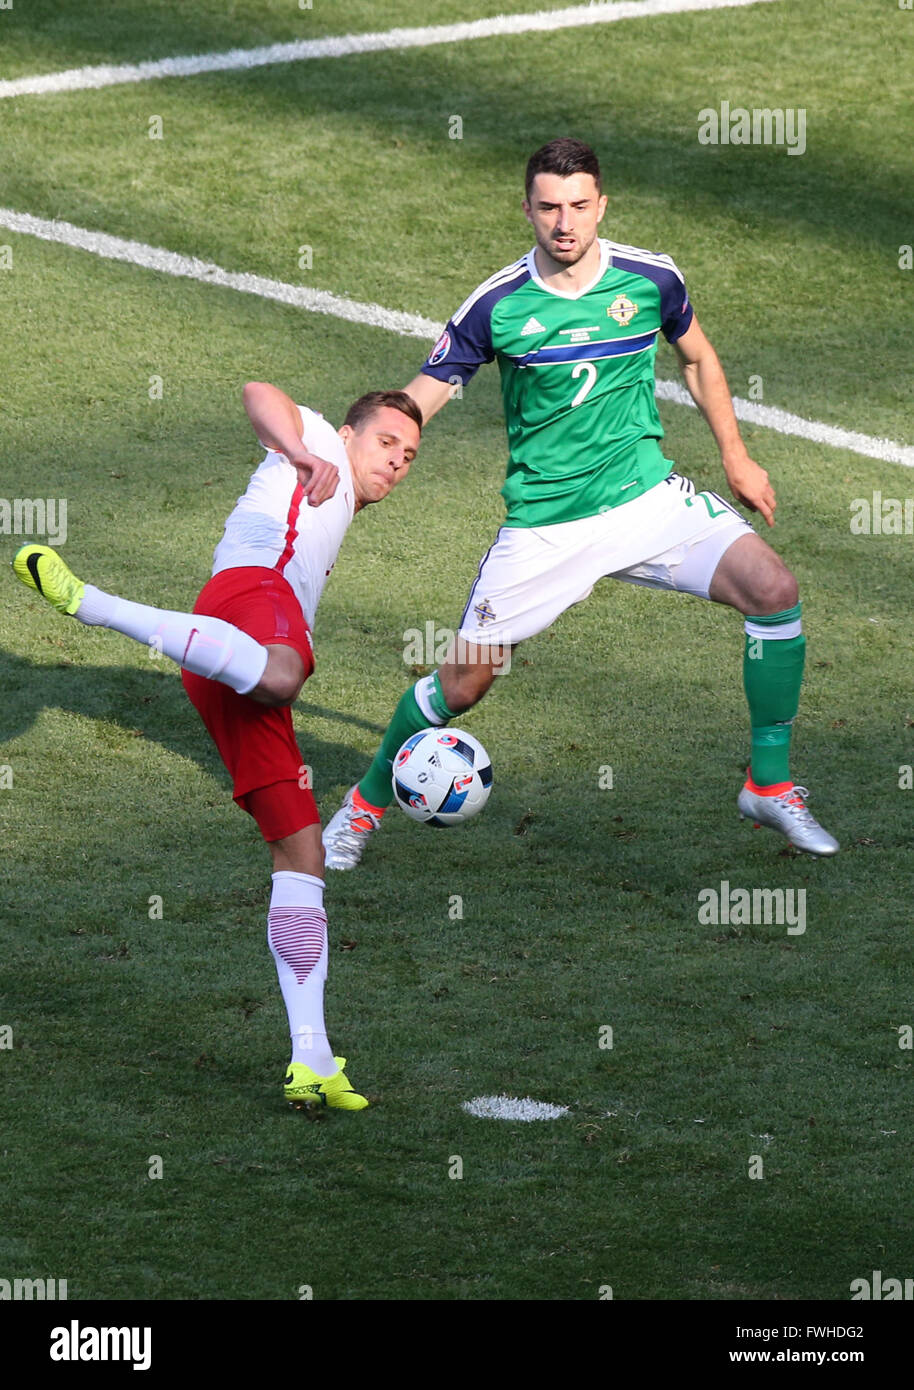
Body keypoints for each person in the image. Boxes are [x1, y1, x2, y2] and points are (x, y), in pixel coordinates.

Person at [321, 136, 838, 869]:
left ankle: (769, 784)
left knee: (774, 590)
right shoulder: (497, 304)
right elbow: (425, 395)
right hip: (546, 528)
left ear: (602, 206)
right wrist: (360, 476)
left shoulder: (651, 278)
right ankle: (361, 810)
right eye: (548, 208)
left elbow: (698, 358)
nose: (564, 223)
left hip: (648, 500)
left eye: (578, 206)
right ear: (527, 209)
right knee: (462, 685)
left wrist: (737, 457)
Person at [13, 382, 422, 1110]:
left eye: (410, 456)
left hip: (221, 661)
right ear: (351, 433)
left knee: (303, 854)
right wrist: (299, 448)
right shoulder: (320, 441)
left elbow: (429, 392)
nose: (398, 463)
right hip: (250, 601)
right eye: (387, 443)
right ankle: (92, 604)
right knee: (287, 672)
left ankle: (313, 1061)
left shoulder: (349, 477)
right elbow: (259, 392)